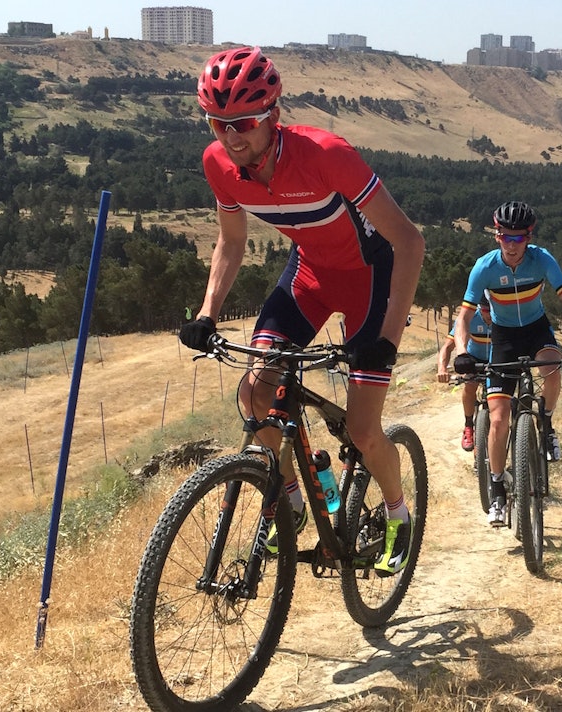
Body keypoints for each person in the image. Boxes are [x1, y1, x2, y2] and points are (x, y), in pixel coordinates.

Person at [178, 47, 425, 576]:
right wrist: (207, 313)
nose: (231, 136)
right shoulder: (219, 163)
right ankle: (292, 496)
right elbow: (230, 242)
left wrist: (388, 337)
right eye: (217, 123)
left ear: (272, 115)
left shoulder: (326, 154)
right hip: (309, 277)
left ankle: (400, 514)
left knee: (362, 430)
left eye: (243, 122)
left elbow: (409, 241)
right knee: (253, 392)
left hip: (370, 281)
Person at [452, 201, 562, 526]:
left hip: (536, 330)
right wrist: (462, 351)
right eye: (507, 237)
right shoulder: (484, 268)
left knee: (552, 366)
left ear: (529, 237)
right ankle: (497, 490)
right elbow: (464, 315)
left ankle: (545, 425)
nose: (513, 245)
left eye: (520, 238)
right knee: (498, 419)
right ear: (497, 235)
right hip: (503, 338)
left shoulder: (542, 259)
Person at [436, 296, 492, 451]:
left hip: (497, 359)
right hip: (474, 359)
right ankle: (469, 425)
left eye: (493, 309)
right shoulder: (471, 317)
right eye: (486, 310)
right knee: (470, 385)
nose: (490, 315)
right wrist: (442, 369)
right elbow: (447, 347)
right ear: (481, 308)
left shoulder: (503, 316)